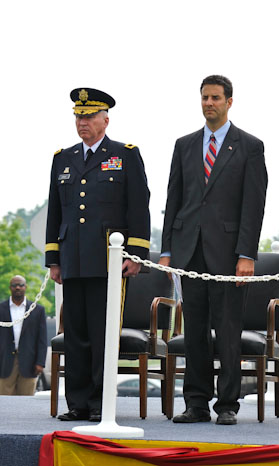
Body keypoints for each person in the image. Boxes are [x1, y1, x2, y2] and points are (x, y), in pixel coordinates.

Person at [160, 75, 267, 426]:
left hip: (229, 256)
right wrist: (167, 251)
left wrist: (246, 255)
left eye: (216, 98)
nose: (209, 103)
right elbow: (173, 199)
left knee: (228, 332)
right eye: (204, 97)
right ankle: (195, 403)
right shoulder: (184, 144)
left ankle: (227, 405)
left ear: (229, 102)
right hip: (189, 252)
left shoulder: (249, 146)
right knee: (194, 333)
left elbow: (253, 205)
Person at [45, 88, 151, 421]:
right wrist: (53, 258)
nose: (83, 123)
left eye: (90, 116)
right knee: (75, 333)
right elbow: (55, 211)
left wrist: (135, 253)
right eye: (79, 116)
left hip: (109, 261)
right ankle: (77, 402)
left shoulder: (125, 154)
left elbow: (138, 208)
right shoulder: (63, 158)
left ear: (106, 119)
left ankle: (99, 403)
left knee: (102, 335)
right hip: (73, 257)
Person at [0, 276, 47, 395]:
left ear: (25, 287)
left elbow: (42, 339)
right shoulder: (1, 309)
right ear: (10, 288)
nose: (17, 287)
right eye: (14, 285)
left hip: (30, 363)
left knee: (27, 401)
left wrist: (40, 362)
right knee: (4, 401)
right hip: (4, 362)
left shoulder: (37, 310)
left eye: (20, 285)